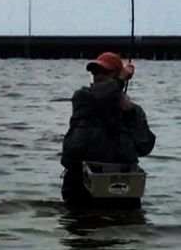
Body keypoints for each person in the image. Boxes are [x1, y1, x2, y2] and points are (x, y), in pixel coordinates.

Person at [60, 51, 155, 208]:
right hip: (80, 187)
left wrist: (130, 114)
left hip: (122, 190)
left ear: (117, 74)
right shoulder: (83, 97)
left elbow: (145, 147)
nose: (99, 76)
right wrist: (121, 79)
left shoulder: (133, 110)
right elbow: (99, 94)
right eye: (96, 72)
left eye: (106, 72)